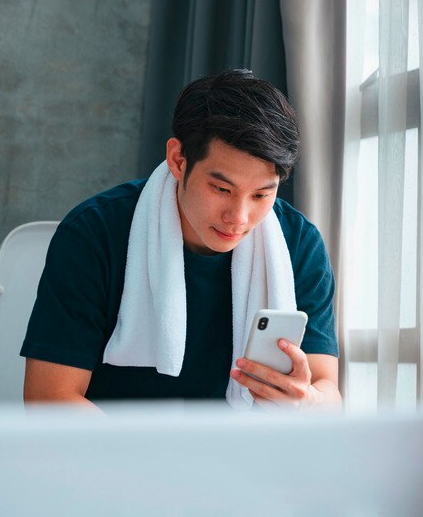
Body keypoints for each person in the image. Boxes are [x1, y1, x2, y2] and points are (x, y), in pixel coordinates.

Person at [20, 69, 340, 411]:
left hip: (244, 454)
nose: (239, 217)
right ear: (178, 160)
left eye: (261, 195)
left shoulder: (299, 245)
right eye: (221, 188)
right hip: (116, 456)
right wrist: (157, 464)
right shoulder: (94, 232)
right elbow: (49, 398)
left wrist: (305, 400)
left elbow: (328, 392)